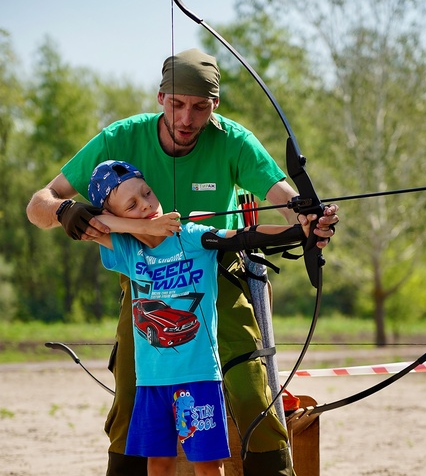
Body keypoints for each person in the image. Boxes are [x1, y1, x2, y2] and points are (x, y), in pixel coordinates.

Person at [26, 48, 338, 476]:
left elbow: (286, 200)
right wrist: (65, 211)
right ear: (159, 98)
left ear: (215, 106)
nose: (187, 119)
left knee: (251, 390)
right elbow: (38, 205)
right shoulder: (121, 137)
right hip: (144, 284)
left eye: (199, 107)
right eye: (176, 105)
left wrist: (308, 219)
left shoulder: (233, 140)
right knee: (130, 398)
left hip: (217, 275)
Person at [86, 159, 314, 476]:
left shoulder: (190, 236)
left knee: (208, 466)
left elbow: (244, 237)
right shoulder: (126, 250)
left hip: (198, 379)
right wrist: (143, 228)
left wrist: (300, 230)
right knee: (159, 464)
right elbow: (81, 220)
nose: (148, 205)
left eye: (147, 193)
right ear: (114, 216)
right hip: (150, 382)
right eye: (133, 205)